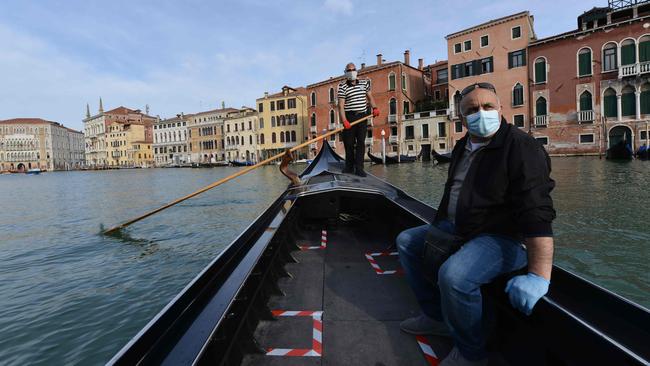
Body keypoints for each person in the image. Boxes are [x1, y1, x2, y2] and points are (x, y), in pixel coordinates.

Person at [396, 82, 556, 366]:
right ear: (461, 118)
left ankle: (471, 354)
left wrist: (539, 276)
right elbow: (452, 193)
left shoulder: (522, 147)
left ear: (500, 109)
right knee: (408, 242)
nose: (481, 113)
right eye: (472, 110)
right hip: (460, 228)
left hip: (503, 236)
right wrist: (440, 226)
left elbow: (537, 211)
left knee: (454, 277)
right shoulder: (462, 146)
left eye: (487, 107)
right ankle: (436, 317)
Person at [337, 62, 380, 177]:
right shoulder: (342, 86)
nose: (351, 72)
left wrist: (375, 107)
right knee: (349, 143)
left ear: (356, 71)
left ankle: (359, 168)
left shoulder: (364, 83)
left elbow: (370, 97)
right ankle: (349, 167)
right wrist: (344, 120)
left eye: (353, 69)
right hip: (349, 117)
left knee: (361, 143)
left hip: (362, 116)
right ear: (346, 73)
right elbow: (341, 106)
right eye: (349, 70)